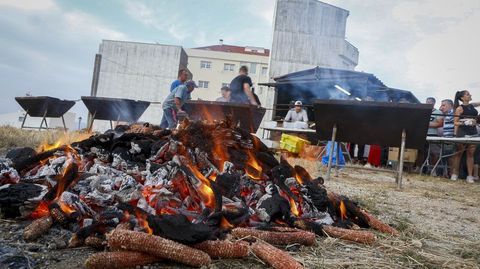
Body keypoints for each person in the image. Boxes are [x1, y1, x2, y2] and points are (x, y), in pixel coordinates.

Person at [451, 90, 479, 182]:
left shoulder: (472, 105)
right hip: (462, 131)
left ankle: (470, 176)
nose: (470, 95)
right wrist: (466, 122)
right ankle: (455, 174)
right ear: (462, 98)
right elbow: (455, 122)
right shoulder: (459, 108)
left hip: (473, 131)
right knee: (459, 153)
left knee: (471, 154)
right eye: (467, 94)